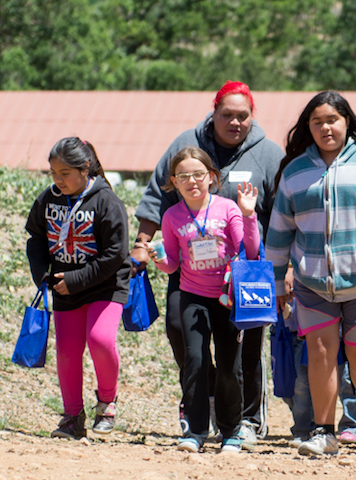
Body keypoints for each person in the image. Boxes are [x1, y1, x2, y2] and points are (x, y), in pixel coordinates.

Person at [132, 81, 282, 445]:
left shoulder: (268, 154)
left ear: (252, 117)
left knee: (245, 345)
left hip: (241, 273)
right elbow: (157, 197)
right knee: (180, 331)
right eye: (226, 115)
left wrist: (282, 266)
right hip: (188, 267)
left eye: (242, 116)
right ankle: (205, 401)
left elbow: (281, 213)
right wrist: (143, 243)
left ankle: (247, 418)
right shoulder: (186, 145)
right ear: (213, 112)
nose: (234, 122)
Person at [265, 91, 356, 456]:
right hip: (312, 283)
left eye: (332, 120)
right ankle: (324, 432)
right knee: (321, 352)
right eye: (317, 122)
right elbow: (279, 231)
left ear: (347, 122)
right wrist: (277, 281)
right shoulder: (295, 171)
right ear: (308, 127)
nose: (325, 128)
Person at [142, 146, 260, 453]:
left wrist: (248, 215)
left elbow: (251, 250)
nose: (191, 181)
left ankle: (231, 431)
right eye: (184, 176)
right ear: (174, 181)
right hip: (192, 296)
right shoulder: (171, 216)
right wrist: (158, 256)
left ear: (211, 177)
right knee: (194, 361)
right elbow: (172, 264)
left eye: (198, 174)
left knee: (229, 366)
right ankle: (195, 430)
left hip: (227, 298)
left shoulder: (228, 208)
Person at [25, 137, 131, 439]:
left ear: (85, 168)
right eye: (53, 173)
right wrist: (43, 274)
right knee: (68, 352)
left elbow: (115, 255)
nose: (58, 180)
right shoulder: (49, 198)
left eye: (65, 174)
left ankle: (107, 402)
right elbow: (35, 237)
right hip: (64, 288)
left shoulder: (106, 201)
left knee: (99, 339)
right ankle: (72, 417)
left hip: (105, 285)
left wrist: (75, 281)